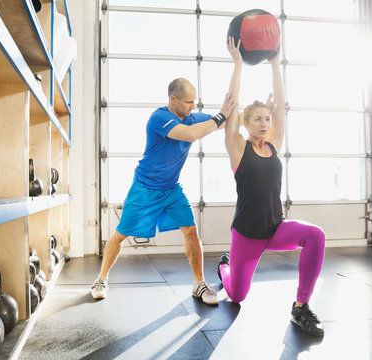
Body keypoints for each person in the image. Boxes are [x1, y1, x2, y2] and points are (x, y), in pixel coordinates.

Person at [91, 78, 237, 305]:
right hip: (144, 189)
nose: (192, 107)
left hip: (171, 190)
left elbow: (224, 122)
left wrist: (258, 114)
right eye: (189, 102)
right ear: (173, 99)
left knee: (190, 230)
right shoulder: (158, 118)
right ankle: (101, 279)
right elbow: (190, 134)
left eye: (194, 102)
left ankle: (198, 283)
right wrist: (220, 116)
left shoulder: (191, 118)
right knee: (120, 234)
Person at [219, 37, 326, 336]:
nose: (265, 123)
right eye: (258, 120)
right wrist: (238, 64)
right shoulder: (237, 147)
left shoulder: (275, 145)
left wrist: (276, 64)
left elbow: (280, 106)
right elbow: (233, 102)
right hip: (247, 234)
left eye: (267, 119)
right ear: (245, 122)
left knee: (315, 235)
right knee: (237, 296)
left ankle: (301, 306)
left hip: (276, 227)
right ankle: (224, 268)